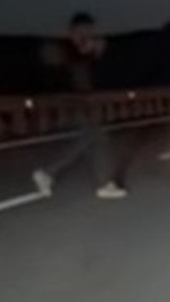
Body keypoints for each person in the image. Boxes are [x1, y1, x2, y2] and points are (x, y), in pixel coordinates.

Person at [32, 12, 128, 200]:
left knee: (86, 141)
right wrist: (90, 51)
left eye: (90, 30)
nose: (89, 34)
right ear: (74, 31)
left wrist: (96, 52)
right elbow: (72, 67)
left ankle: (47, 173)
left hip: (83, 102)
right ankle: (104, 184)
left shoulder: (81, 49)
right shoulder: (66, 48)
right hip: (75, 102)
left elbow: (92, 69)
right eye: (85, 30)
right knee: (99, 138)